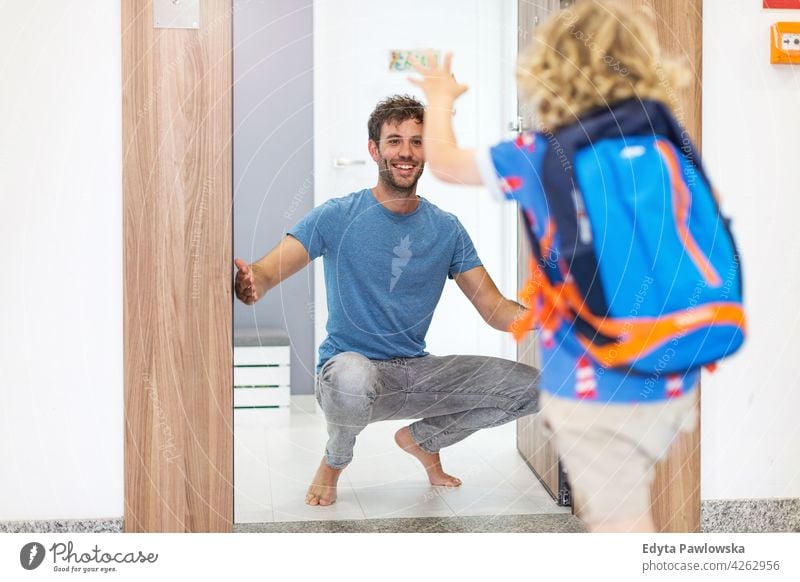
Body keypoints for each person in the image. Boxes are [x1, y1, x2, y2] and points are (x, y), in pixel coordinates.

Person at [409, 1, 704, 532]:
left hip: (589, 374)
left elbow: (446, 163)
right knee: (629, 502)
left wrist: (439, 96)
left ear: (549, 73)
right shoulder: (664, 151)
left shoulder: (538, 153)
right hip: (667, 369)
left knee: (619, 519)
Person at [234, 94, 540, 506]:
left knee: (535, 390)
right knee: (353, 377)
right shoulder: (337, 215)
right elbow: (269, 270)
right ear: (374, 150)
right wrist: (251, 282)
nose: (406, 152)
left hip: (414, 373)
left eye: (417, 141)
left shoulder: (447, 229)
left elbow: (496, 310)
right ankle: (334, 460)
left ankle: (423, 440)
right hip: (348, 375)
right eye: (394, 141)